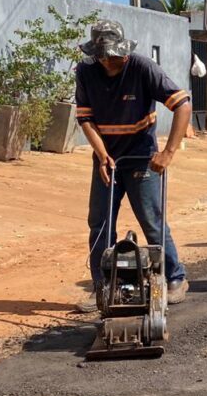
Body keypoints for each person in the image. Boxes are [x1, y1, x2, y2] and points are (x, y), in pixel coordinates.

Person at [75, 20, 192, 312]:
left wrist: (168, 152)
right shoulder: (86, 71)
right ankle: (102, 286)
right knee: (100, 224)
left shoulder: (142, 67)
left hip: (141, 157)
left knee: (152, 221)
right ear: (99, 57)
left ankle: (175, 277)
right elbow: (85, 119)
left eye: (119, 55)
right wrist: (102, 154)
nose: (116, 61)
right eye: (109, 57)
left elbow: (183, 105)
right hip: (107, 159)